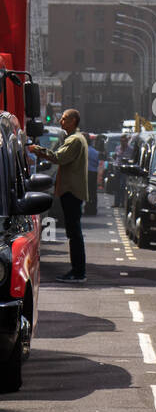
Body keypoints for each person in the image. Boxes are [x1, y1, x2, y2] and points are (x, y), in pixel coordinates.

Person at [28, 109, 89, 282]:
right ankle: (77, 270)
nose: (61, 122)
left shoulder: (74, 140)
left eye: (64, 119)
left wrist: (37, 150)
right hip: (70, 190)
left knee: (74, 233)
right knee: (73, 232)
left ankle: (78, 272)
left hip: (71, 191)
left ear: (73, 121)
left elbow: (58, 157)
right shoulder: (74, 138)